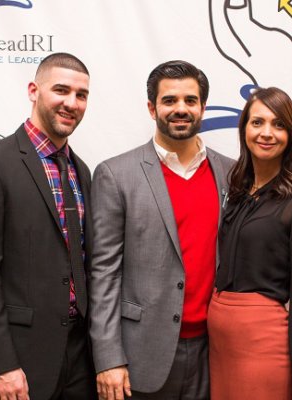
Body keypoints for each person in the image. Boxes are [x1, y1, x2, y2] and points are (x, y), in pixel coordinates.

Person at [0, 52, 97, 400]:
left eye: (81, 95)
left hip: (80, 359)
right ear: (34, 90)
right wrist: (0, 364)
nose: (71, 103)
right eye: (60, 90)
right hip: (18, 361)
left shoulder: (83, 171)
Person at [89, 60, 233, 400]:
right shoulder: (115, 174)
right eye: (169, 101)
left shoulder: (231, 173)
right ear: (152, 107)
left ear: (203, 107)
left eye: (190, 100)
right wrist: (108, 358)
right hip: (141, 356)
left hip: (215, 352)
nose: (180, 109)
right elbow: (103, 272)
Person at [208, 87, 292, 400]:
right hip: (221, 346)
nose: (267, 133)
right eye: (257, 122)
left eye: (278, 125)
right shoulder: (236, 192)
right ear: (244, 129)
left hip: (264, 346)